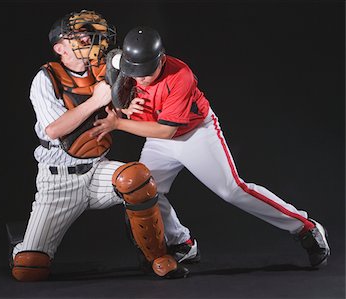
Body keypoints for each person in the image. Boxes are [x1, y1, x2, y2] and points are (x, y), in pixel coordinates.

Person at [90, 26, 330, 268]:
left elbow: (167, 130)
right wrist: (124, 109)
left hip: (194, 134)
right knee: (145, 191)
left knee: (232, 190)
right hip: (157, 138)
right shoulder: (122, 63)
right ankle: (182, 243)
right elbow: (113, 91)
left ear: (161, 59)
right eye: (135, 71)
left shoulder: (180, 76)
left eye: (145, 72)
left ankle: (305, 227)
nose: (139, 78)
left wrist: (118, 123)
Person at [10, 11, 193, 281]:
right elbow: (54, 130)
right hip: (58, 182)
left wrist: (125, 106)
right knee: (29, 269)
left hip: (97, 170)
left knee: (137, 178)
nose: (87, 39)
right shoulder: (46, 78)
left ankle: (158, 255)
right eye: (78, 36)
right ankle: (21, 243)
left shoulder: (102, 70)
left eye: (88, 34)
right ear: (60, 48)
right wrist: (97, 101)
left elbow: (123, 97)